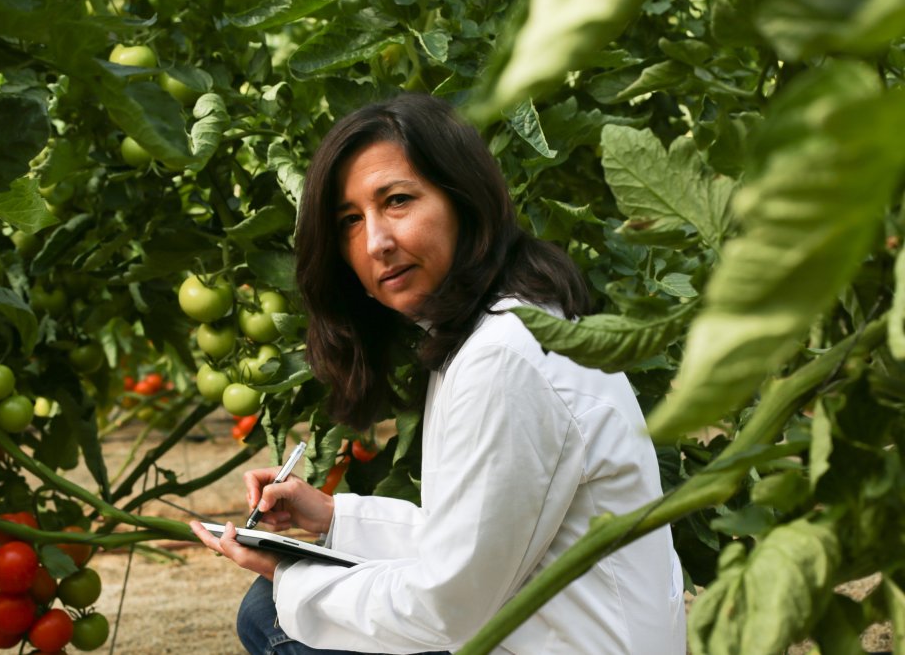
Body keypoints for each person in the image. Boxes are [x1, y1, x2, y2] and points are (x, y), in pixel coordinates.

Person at [190, 93, 686, 655]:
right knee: (275, 604)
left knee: (274, 616)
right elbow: (472, 537)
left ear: (463, 199)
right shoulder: (494, 326)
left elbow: (449, 602)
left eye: (397, 201)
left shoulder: (505, 355)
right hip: (562, 630)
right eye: (350, 221)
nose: (375, 242)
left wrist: (293, 578)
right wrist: (332, 516)